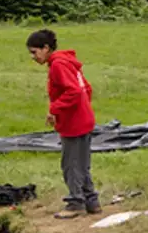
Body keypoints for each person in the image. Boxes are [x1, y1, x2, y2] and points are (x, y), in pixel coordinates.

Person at [27, 29, 102, 219]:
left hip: (74, 123)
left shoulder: (58, 66)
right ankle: (91, 202)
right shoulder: (69, 62)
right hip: (84, 118)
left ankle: (76, 203)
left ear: (46, 48)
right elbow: (86, 88)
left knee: (70, 164)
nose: (32, 57)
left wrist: (55, 109)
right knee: (83, 164)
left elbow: (74, 92)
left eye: (34, 52)